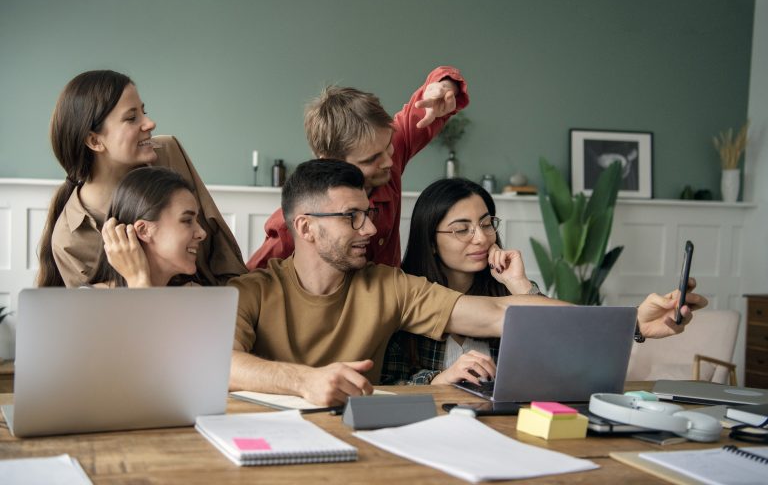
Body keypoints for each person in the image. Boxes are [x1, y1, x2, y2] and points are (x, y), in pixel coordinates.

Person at [228, 159, 707, 407]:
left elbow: (503, 314)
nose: (371, 230)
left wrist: (630, 324)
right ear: (307, 228)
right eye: (352, 218)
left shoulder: (389, 286)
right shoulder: (251, 291)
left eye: (368, 215)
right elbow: (218, 363)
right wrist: (305, 380)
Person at [245, 66, 469, 270]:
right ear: (329, 161)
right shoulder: (298, 220)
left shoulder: (384, 149)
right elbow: (252, 280)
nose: (389, 162)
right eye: (371, 159)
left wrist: (444, 86)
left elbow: (438, 88)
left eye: (389, 146)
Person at [37, 70, 246, 287]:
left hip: (216, 306)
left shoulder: (168, 152)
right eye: (131, 118)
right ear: (94, 140)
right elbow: (102, 316)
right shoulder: (70, 239)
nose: (149, 123)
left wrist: (238, 305)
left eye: (144, 112)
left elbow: (222, 250)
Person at [381, 178, 533, 385]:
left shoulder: (509, 291)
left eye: (486, 224)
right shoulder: (405, 296)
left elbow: (553, 357)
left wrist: (519, 284)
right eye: (462, 230)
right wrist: (438, 380)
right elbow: (387, 385)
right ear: (431, 242)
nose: (481, 238)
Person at [89, 167, 206, 287]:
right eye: (187, 220)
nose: (202, 233)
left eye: (197, 220)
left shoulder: (194, 295)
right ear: (143, 230)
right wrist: (138, 279)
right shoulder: (88, 300)